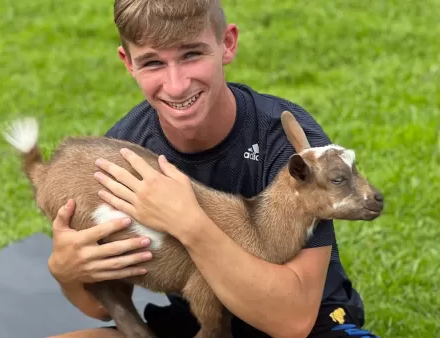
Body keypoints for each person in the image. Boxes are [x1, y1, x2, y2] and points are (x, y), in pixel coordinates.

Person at [47, 0, 378, 337]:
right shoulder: (124, 152)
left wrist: (189, 222)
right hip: (201, 322)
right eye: (152, 62)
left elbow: (292, 322)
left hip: (308, 323)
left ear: (227, 44)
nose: (176, 85)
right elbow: (107, 304)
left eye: (191, 54)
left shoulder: (288, 142)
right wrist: (67, 272)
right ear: (128, 63)